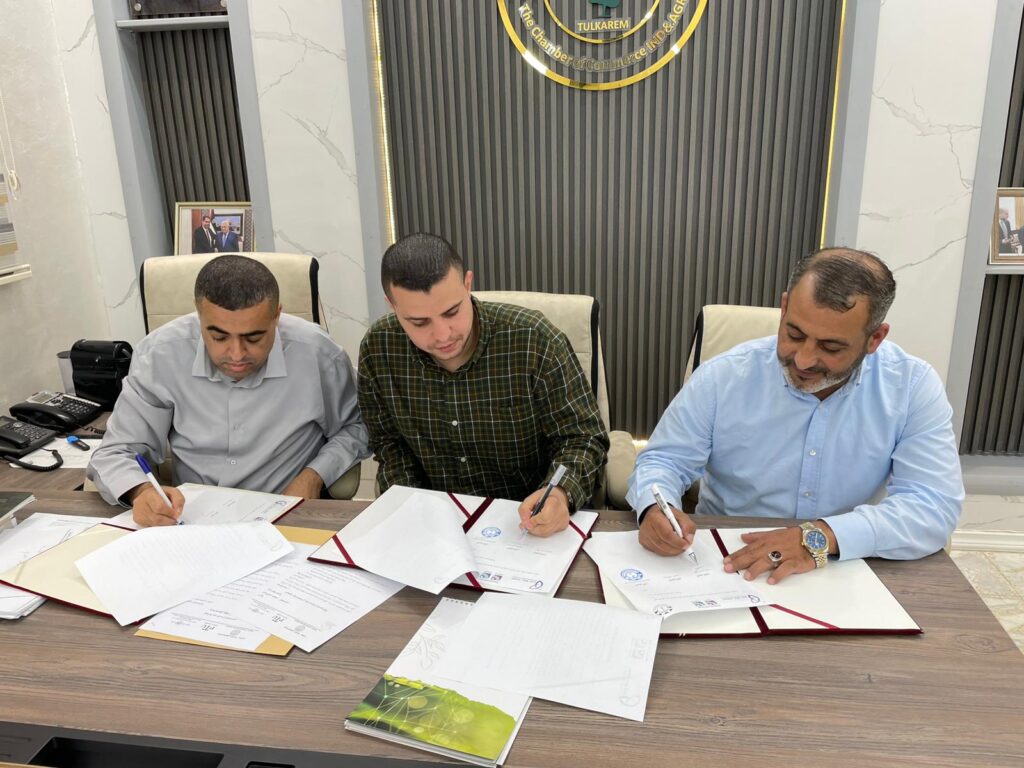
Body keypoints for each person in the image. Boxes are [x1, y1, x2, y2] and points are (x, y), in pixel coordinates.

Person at [627, 247, 964, 582]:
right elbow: (664, 461)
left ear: (874, 338)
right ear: (785, 307)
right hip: (728, 560)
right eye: (794, 334)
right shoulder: (724, 376)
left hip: (843, 564)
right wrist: (655, 507)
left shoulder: (911, 386)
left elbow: (933, 505)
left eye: (830, 347)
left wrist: (820, 536)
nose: (803, 359)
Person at [88, 255, 369, 526]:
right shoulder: (160, 355)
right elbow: (116, 452)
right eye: (219, 336)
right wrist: (141, 491)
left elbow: (356, 427)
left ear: (277, 316)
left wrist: (313, 477)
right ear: (199, 316)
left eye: (254, 337)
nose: (236, 354)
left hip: (285, 515)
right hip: (190, 521)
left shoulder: (318, 353)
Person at [358, 233, 609, 536]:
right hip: (436, 526)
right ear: (392, 305)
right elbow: (390, 446)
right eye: (419, 322)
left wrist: (559, 494)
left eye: (452, 312)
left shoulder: (533, 340)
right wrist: (410, 506)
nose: (443, 335)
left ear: (468, 284)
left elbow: (582, 438)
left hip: (527, 523)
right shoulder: (379, 349)